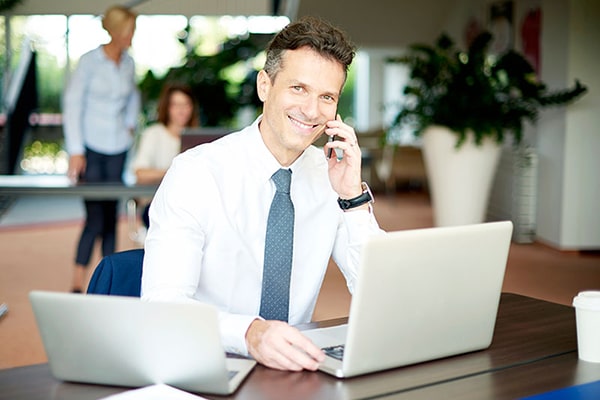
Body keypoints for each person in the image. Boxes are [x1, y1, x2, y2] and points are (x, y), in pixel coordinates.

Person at [141, 16, 385, 371]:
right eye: (298, 88)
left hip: (293, 371)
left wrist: (352, 198)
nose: (311, 110)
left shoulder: (330, 176)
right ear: (265, 86)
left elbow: (379, 293)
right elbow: (162, 304)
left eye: (327, 96)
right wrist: (250, 333)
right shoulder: (196, 173)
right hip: (208, 362)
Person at [63, 5, 140, 293]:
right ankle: (76, 283)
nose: (132, 35)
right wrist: (75, 150)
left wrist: (130, 124)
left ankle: (108, 284)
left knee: (111, 217)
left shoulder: (129, 63)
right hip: (91, 147)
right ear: (117, 31)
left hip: (117, 147)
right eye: (130, 30)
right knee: (94, 217)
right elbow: (73, 106)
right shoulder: (89, 62)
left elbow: (133, 96)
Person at [130, 83, 199, 227]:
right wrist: (176, 171)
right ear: (167, 108)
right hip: (157, 204)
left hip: (191, 205)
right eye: (176, 105)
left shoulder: (198, 137)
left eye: (186, 104)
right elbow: (140, 173)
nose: (181, 110)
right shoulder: (154, 134)